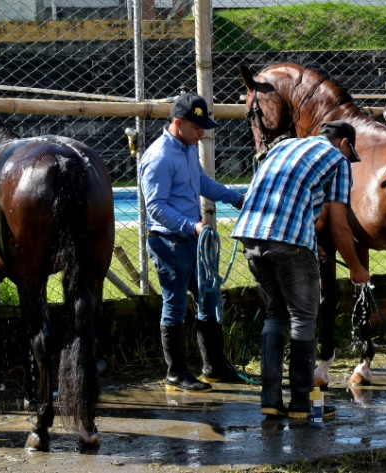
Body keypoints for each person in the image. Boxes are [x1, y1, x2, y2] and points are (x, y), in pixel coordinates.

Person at [231, 120, 371, 420]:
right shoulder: (338, 160)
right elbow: (338, 226)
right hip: (288, 242)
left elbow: (286, 198)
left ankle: (270, 400)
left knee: (275, 314)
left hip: (251, 235)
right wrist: (357, 269)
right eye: (349, 152)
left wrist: (311, 244)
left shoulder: (284, 146)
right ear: (345, 143)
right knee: (303, 317)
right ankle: (301, 402)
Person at [140, 92, 244, 392]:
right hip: (170, 243)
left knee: (209, 299)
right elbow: (156, 206)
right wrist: (191, 225)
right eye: (197, 127)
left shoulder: (186, 149)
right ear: (178, 123)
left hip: (192, 240)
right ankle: (176, 372)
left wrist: (235, 198)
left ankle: (214, 366)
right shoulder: (159, 157)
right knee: (174, 305)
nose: (202, 133)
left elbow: (202, 183)